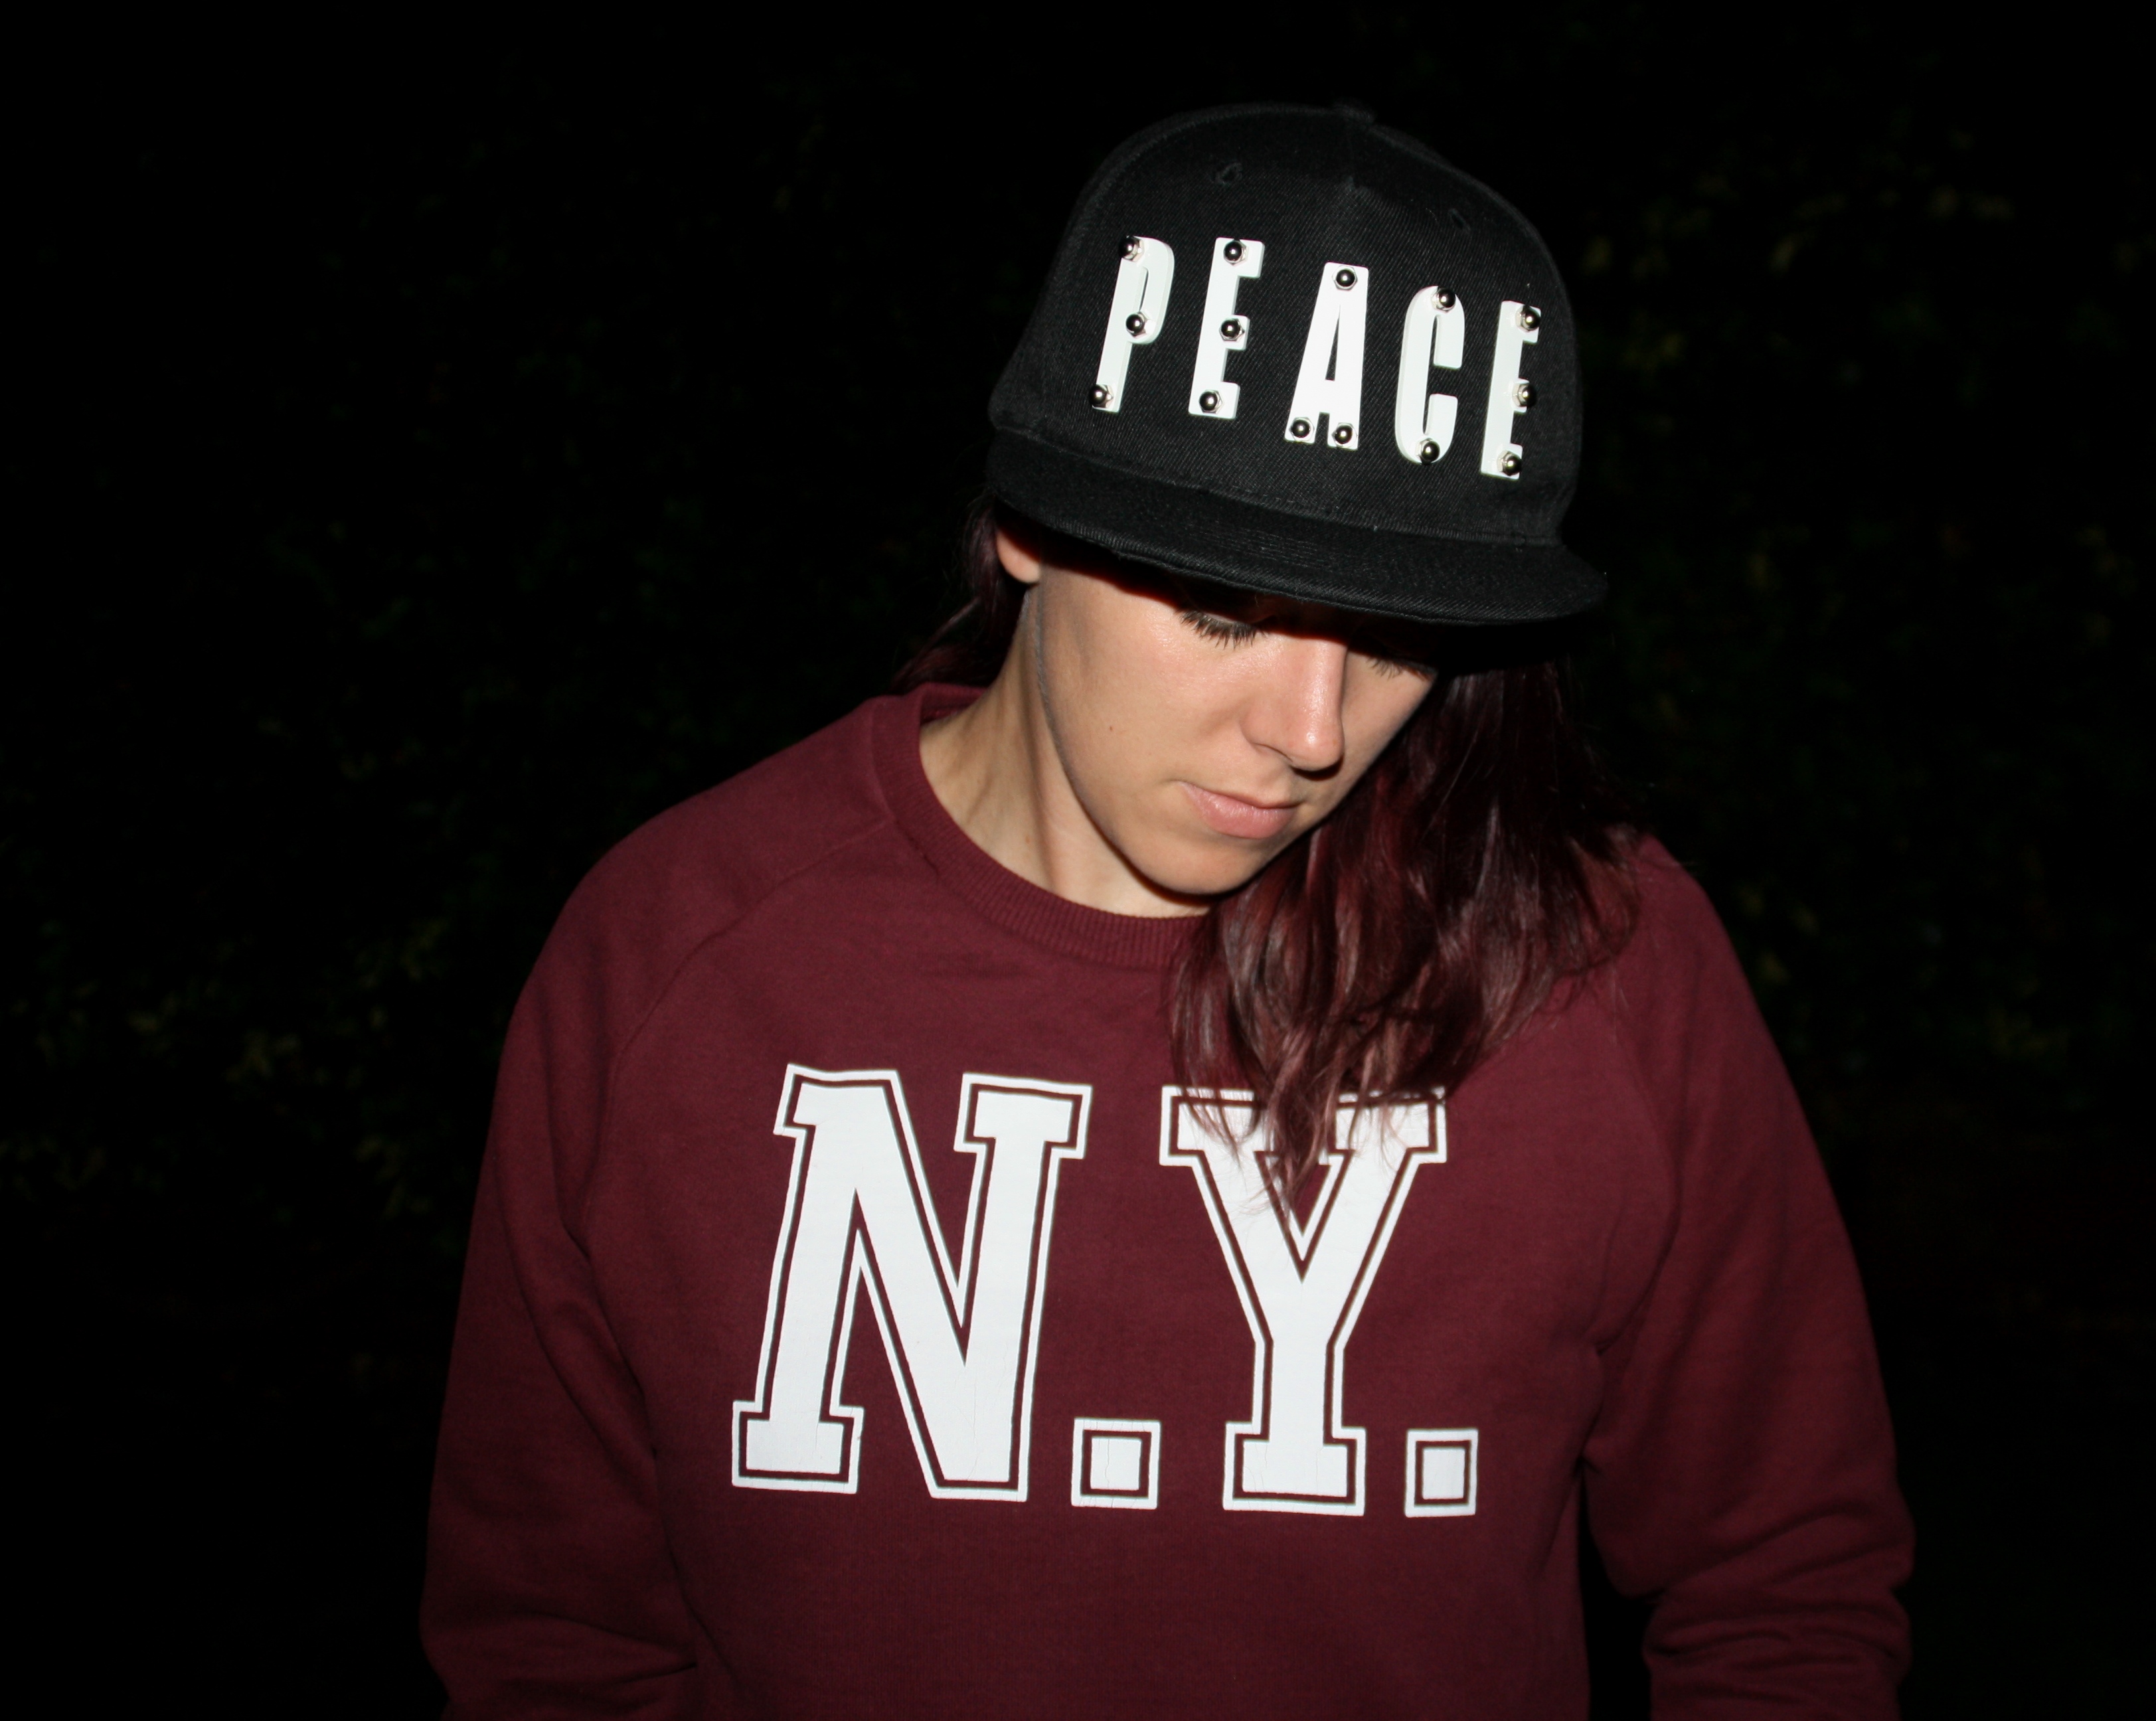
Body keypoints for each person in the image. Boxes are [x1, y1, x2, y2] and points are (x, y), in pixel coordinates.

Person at [423, 102, 1911, 1718]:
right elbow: (552, 1644)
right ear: (1025, 529)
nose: (1314, 730)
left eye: (1399, 635)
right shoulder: (678, 960)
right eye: (1223, 612)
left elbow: (1787, 1594)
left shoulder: (1596, 970)